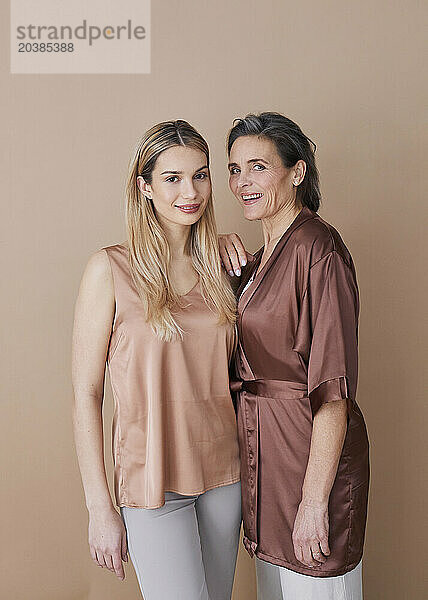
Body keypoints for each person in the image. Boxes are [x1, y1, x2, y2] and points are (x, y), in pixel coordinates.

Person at [72, 120, 241, 600]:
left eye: (201, 175)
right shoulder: (109, 269)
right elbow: (86, 394)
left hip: (225, 475)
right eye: (172, 178)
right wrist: (99, 508)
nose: (191, 191)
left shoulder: (225, 268)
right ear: (144, 186)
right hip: (151, 482)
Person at [219, 112, 370, 600]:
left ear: (297, 172)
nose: (243, 182)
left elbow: (333, 393)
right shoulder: (257, 260)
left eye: (258, 167)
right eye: (235, 168)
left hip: (310, 467)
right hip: (267, 467)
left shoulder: (319, 250)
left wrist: (313, 501)